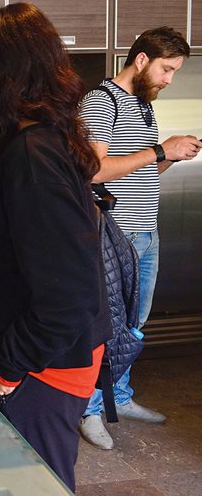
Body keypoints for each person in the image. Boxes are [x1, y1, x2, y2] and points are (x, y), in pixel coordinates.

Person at [0, 2, 110, 492]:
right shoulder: (31, 143)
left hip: (42, 368)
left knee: (35, 486)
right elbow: (15, 246)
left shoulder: (32, 155)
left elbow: (69, 296)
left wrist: (7, 367)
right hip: (41, 357)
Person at [77, 27, 200, 450]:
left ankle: (120, 398)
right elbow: (92, 172)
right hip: (115, 234)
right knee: (105, 326)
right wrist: (160, 151)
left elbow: (141, 170)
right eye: (167, 69)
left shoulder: (144, 107)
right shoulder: (101, 102)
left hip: (148, 231)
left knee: (133, 324)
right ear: (142, 60)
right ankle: (90, 410)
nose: (168, 80)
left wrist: (171, 158)